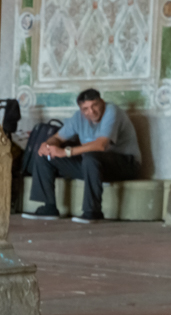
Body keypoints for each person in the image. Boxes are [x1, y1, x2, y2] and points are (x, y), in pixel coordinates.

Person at [22, 88, 142, 223]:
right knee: (45, 155)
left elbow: (101, 145)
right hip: (93, 166)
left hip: (126, 164)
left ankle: (92, 211)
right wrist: (47, 145)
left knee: (91, 157)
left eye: (94, 105)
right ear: (81, 109)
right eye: (85, 109)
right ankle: (48, 208)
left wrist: (66, 152)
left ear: (102, 102)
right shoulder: (78, 117)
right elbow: (57, 138)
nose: (91, 111)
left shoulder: (112, 111)